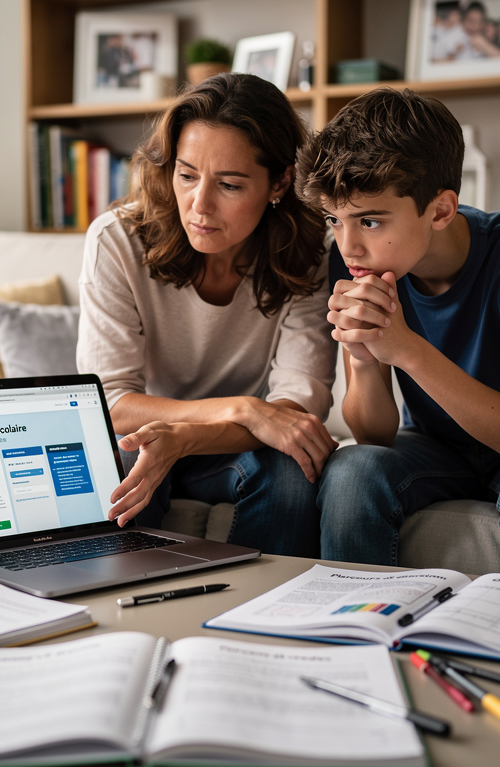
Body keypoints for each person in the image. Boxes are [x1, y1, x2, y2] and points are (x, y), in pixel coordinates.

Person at [295, 87, 500, 586]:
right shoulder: (357, 261)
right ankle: (360, 628)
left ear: (441, 210)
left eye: (370, 220)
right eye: (334, 220)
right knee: (351, 470)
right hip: (438, 447)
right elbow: (374, 436)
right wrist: (362, 357)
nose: (348, 245)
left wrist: (406, 349)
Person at [77, 73, 337, 557]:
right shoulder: (116, 240)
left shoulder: (312, 252)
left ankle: (262, 601)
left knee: (291, 466)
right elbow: (109, 402)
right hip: (145, 437)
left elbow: (297, 409)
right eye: (187, 175)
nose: (200, 205)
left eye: (230, 184)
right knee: (118, 461)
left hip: (235, 447)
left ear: (280, 182)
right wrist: (245, 408)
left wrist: (189, 437)